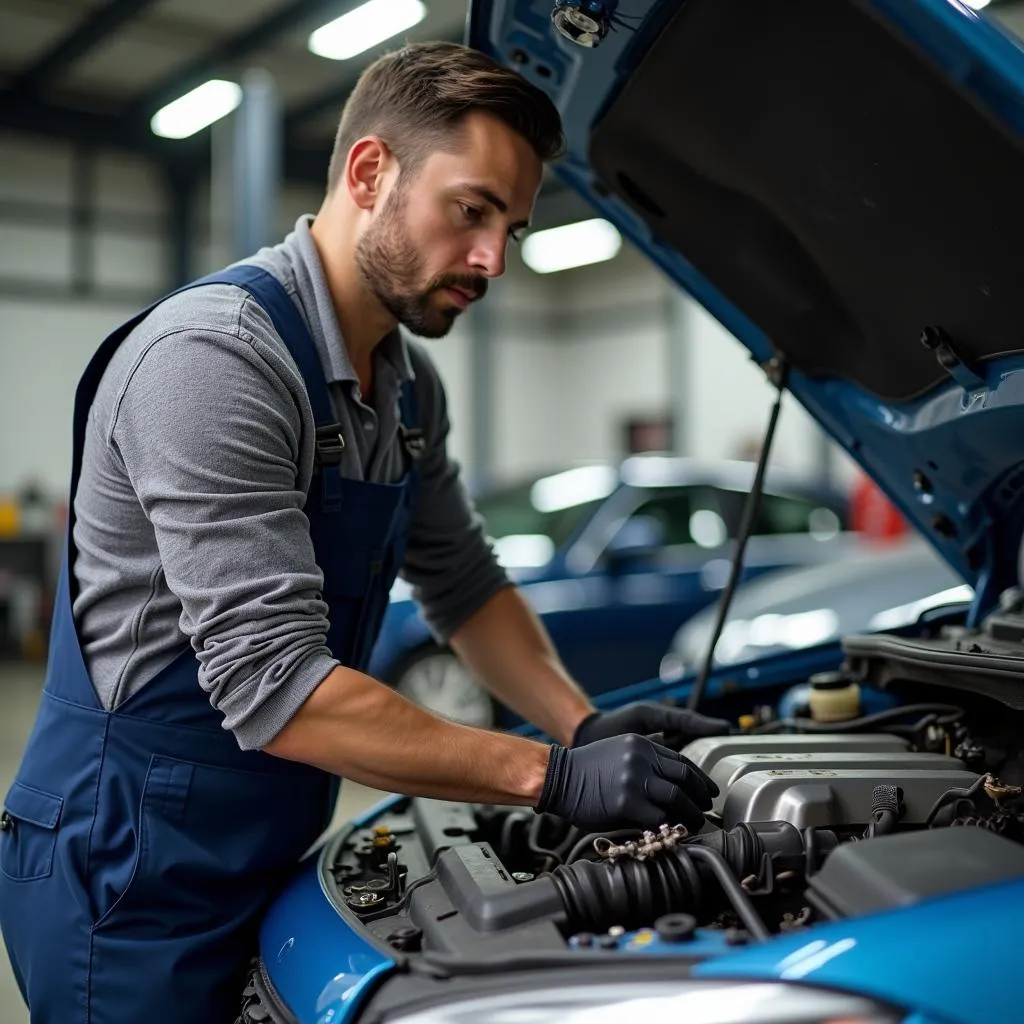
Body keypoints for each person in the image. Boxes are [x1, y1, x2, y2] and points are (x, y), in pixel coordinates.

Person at [0, 42, 729, 1023]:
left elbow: (463, 582)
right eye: (470, 210)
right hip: (130, 866)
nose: (492, 260)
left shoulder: (406, 387)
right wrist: (550, 776)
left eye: (510, 228)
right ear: (368, 171)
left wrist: (579, 720)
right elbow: (278, 689)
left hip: (263, 846)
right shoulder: (214, 358)